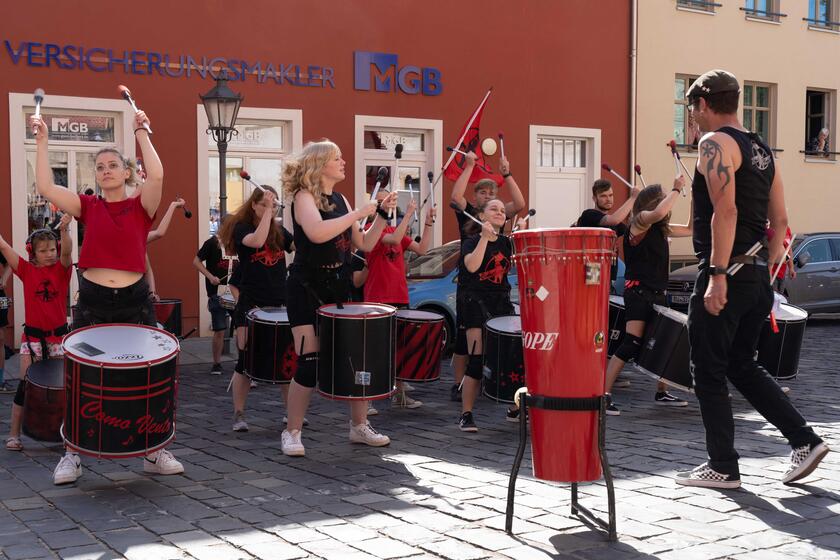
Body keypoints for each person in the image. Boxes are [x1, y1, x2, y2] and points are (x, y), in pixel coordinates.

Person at [676, 69, 828, 488]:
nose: (693, 117)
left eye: (692, 108)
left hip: (726, 273)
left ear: (702, 104)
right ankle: (804, 440)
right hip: (758, 276)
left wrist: (717, 274)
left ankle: (722, 465)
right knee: (742, 365)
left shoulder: (714, 144)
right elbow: (780, 221)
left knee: (707, 370)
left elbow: (726, 212)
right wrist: (766, 267)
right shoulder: (762, 150)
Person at [29, 111, 183, 482]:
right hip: (93, 302)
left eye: (113, 165)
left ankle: (154, 450)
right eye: (100, 167)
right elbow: (46, 187)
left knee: (148, 376)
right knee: (80, 378)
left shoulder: (141, 207)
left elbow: (158, 175)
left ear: (127, 172)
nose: (106, 171)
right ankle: (72, 453)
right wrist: (43, 140)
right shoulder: (88, 206)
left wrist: (141, 130)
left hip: (135, 301)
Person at [281, 139, 397, 457]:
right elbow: (317, 232)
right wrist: (359, 212)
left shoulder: (342, 199)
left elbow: (365, 243)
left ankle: (359, 426)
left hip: (338, 286)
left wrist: (382, 215)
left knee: (356, 355)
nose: (343, 162)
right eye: (337, 157)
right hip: (306, 287)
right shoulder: (303, 197)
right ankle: (292, 431)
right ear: (320, 164)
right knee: (308, 362)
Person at [603, 181, 693, 416]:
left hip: (658, 292)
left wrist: (696, 198)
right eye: (662, 197)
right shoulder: (640, 221)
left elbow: (690, 229)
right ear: (653, 201)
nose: (666, 202)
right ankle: (603, 394)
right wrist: (676, 189)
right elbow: (659, 213)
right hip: (639, 293)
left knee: (664, 341)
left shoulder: (660, 228)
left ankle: (662, 392)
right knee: (631, 343)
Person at [450, 151, 525, 406]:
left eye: (493, 194)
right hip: (472, 290)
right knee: (468, 345)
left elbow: (519, 204)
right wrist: (469, 166)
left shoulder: (504, 237)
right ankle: (461, 391)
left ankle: (502, 394)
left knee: (505, 349)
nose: (489, 197)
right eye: (484, 194)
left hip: (497, 296)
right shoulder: (470, 218)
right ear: (479, 206)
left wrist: (507, 173)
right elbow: (455, 197)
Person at [218, 186, 294, 432]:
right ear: (253, 205)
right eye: (263, 204)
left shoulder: (279, 231)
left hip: (280, 302)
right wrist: (269, 213)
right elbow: (257, 240)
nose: (269, 209)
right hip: (251, 304)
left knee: (287, 361)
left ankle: (291, 412)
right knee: (245, 360)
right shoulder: (242, 229)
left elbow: (300, 248)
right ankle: (239, 414)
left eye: (272, 205)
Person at [2, 218, 72, 459]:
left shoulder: (62, 270)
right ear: (32, 253)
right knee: (25, 387)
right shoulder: (26, 270)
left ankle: (67, 434)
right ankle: (14, 434)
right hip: (32, 341)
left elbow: (68, 251)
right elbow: (4, 247)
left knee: (62, 389)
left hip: (58, 340)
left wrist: (64, 230)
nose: (50, 254)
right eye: (43, 251)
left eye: (52, 249)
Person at [363, 192, 435, 409]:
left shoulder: (395, 230)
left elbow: (422, 250)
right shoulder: (370, 230)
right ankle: (367, 399)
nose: (387, 204)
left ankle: (399, 394)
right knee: (375, 348)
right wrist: (409, 214)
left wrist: (428, 223)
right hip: (378, 297)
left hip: (399, 295)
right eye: (381, 201)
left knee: (399, 348)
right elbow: (393, 240)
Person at [457, 199, 523, 432]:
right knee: (476, 360)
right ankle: (466, 414)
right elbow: (472, 266)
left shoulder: (506, 242)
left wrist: (522, 238)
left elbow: (522, 265)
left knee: (511, 358)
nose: (500, 212)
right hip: (476, 303)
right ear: (481, 216)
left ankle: (514, 407)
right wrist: (485, 238)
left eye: (503, 210)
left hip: (501, 302)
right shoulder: (471, 241)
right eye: (494, 209)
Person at [193, 232, 231, 375]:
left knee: (242, 328)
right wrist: (210, 276)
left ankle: (243, 364)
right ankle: (217, 363)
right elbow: (196, 261)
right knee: (219, 329)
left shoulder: (239, 242)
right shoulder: (212, 243)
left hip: (236, 292)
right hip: (217, 293)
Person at [0, 254, 11, 393]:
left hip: (0, 295)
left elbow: (9, 263)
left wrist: (4, 279)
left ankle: (0, 381)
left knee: (1, 338)